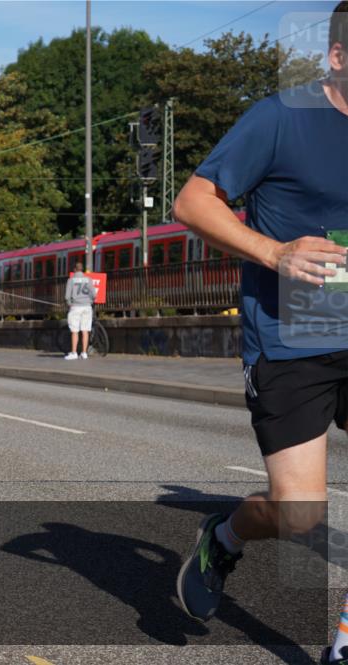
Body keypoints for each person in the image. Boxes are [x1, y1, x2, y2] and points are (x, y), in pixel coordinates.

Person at [172, 7, 348, 664]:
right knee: (299, 511)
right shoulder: (280, 117)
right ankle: (224, 537)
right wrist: (274, 254)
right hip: (291, 333)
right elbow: (191, 203)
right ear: (337, 58)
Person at [64, 260, 95, 360]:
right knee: (85, 330)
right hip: (87, 307)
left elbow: (67, 296)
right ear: (83, 270)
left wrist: (70, 304)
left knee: (75, 331)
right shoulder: (88, 279)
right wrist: (89, 301)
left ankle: (74, 353)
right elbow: (94, 294)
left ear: (74, 270)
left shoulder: (71, 280)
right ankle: (84, 353)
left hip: (75, 307)